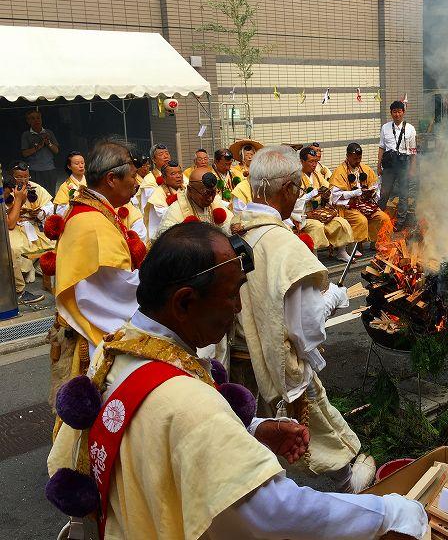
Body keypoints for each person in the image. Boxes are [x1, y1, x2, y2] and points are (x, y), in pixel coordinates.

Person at [47, 222, 427, 540]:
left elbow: (158, 438)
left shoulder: (114, 349)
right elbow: (273, 513)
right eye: (232, 295)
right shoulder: (186, 401)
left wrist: (253, 427)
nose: (240, 307)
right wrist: (389, 512)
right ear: (183, 302)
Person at [233, 148, 376, 493]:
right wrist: (334, 298)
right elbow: (307, 329)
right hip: (283, 365)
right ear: (287, 190)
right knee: (317, 430)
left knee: (250, 435)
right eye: (297, 188)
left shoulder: (235, 231)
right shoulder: (286, 247)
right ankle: (349, 488)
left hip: (240, 358)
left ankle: (260, 494)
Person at [49, 141, 145, 404]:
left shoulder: (94, 211)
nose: (136, 183)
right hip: (96, 330)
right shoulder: (92, 223)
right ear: (111, 179)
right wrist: (161, 278)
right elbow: (119, 290)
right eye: (133, 176)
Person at [293, 146, 354, 261]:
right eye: (311, 161)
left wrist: (327, 195)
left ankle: (341, 251)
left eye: (316, 161)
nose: (314, 164)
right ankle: (314, 256)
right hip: (305, 215)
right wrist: (312, 194)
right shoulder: (296, 178)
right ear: (302, 162)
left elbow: (329, 188)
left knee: (341, 222)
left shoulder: (317, 175)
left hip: (320, 213)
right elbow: (294, 202)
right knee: (317, 227)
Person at [330, 143, 392, 249]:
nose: (358, 161)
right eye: (355, 158)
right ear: (348, 156)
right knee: (361, 220)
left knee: (384, 217)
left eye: (359, 158)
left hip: (366, 204)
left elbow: (375, 187)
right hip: (349, 207)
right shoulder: (339, 172)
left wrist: (372, 193)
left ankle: (375, 243)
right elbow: (334, 195)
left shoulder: (366, 169)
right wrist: (353, 193)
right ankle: (353, 248)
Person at [6, 161, 55, 286]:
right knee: (14, 247)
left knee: (54, 243)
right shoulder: (7, 189)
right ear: (13, 176)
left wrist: (41, 212)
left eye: (26, 177)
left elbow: (49, 205)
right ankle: (26, 271)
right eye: (19, 177)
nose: (23, 180)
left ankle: (37, 265)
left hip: (34, 223)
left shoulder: (36, 187)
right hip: (16, 226)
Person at [156, 166, 231, 238]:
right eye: (206, 194)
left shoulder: (215, 201)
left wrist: (233, 228)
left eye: (213, 193)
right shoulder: (176, 210)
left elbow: (228, 222)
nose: (210, 199)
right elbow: (164, 237)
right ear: (190, 190)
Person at [377, 101, 417, 232]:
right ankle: (378, 218)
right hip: (389, 165)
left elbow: (413, 151)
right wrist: (378, 165)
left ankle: (400, 222)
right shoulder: (385, 127)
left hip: (404, 164)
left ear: (403, 112)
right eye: (394, 111)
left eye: (399, 111)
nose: (397, 114)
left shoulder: (410, 128)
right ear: (391, 113)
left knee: (403, 194)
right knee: (384, 193)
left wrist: (412, 168)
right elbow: (382, 147)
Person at [20, 110, 60, 194]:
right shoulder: (26, 135)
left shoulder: (49, 132)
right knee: (36, 196)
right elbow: (24, 153)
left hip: (49, 169)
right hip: (34, 170)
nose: (36, 120)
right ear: (28, 121)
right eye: (33, 118)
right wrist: (38, 147)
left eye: (38, 118)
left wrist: (48, 143)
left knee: (50, 195)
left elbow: (56, 150)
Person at [144, 160, 184, 239]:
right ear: (164, 178)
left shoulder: (185, 189)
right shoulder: (157, 193)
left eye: (179, 173)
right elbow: (164, 215)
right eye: (173, 174)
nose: (178, 176)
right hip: (163, 236)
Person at [53, 152, 86, 216]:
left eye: (82, 163)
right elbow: (59, 210)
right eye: (77, 163)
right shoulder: (65, 186)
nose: (81, 166)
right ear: (69, 166)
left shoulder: (91, 180)